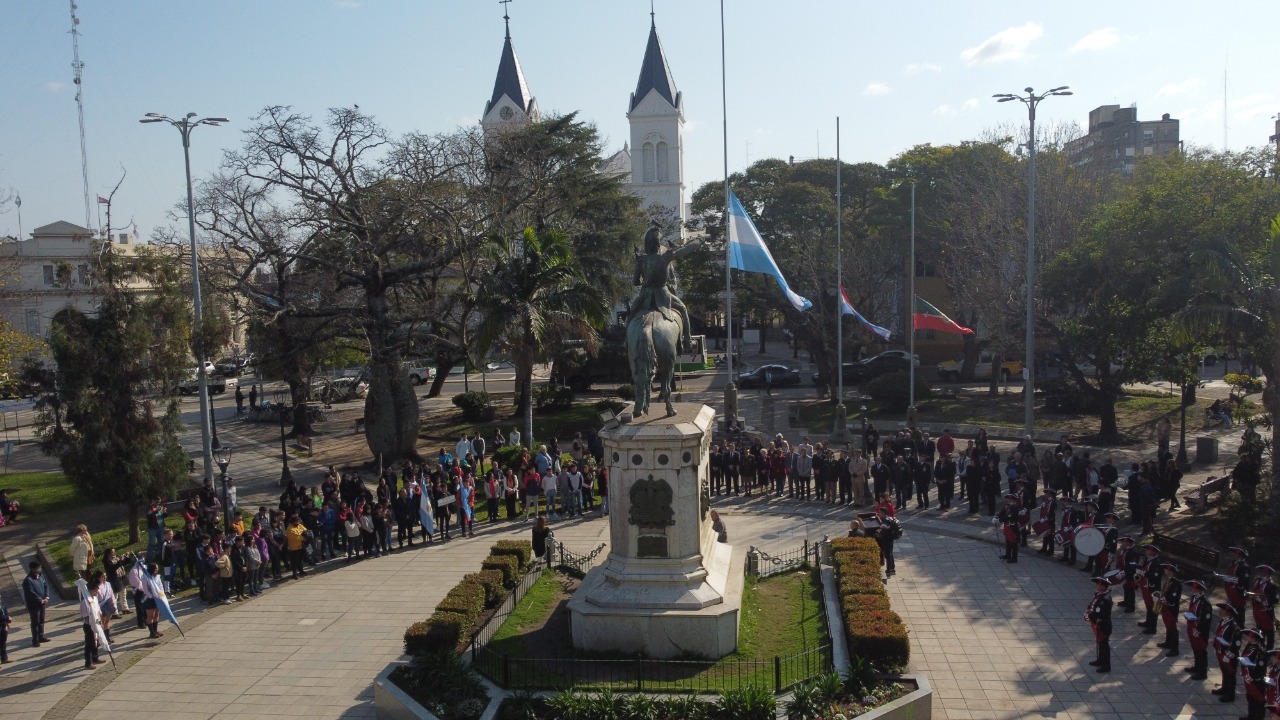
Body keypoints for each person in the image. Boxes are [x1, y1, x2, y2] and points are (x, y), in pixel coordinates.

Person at [1213, 602, 1242, 701]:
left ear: (1228, 613)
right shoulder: (1222, 622)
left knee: (1230, 675)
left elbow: (1236, 644)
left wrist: (1229, 655)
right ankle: (1224, 689)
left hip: (1229, 655)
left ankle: (1230, 695)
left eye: (1223, 610)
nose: (1221, 611)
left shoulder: (1234, 626)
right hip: (1221, 652)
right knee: (1224, 672)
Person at [1185, 579, 1212, 680]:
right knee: (1195, 648)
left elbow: (1206, 620)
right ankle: (1196, 667)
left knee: (1201, 651)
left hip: (1200, 631)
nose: (1192, 589)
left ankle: (1202, 672)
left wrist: (1199, 630)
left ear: (1200, 590)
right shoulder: (1194, 598)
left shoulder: (1205, 603)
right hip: (1192, 627)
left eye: (1195, 588)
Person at [78, 574, 106, 669]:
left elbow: (98, 611)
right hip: (89, 625)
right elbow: (85, 616)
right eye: (95, 590)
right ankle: (88, 662)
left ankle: (95, 657)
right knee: (90, 643)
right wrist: (93, 623)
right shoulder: (85, 602)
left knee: (96, 641)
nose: (97, 591)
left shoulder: (95, 599)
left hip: (97, 623)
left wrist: (100, 622)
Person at [1155, 562, 1183, 656]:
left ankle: (1175, 648)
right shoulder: (1168, 581)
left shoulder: (1176, 583)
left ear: (1171, 571)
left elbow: (1174, 596)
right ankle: (1168, 642)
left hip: (1171, 608)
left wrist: (1164, 599)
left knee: (1173, 628)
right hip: (1166, 607)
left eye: (1166, 569)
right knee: (1167, 625)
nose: (1164, 570)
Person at [1086, 575, 1113, 673]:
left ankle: (1106, 665)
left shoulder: (1105, 599)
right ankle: (1100, 660)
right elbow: (1092, 606)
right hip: (1098, 624)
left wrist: (1089, 617)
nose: (1096, 585)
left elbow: (1098, 613)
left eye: (1098, 583)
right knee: (1100, 643)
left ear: (1103, 586)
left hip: (1103, 625)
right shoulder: (1099, 595)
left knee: (1104, 645)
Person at [21, 560, 50, 647]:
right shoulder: (28, 580)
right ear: (32, 569)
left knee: (41, 620)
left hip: (42, 603)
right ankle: (35, 640)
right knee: (35, 622)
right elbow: (30, 593)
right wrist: (40, 600)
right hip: (34, 605)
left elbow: (46, 586)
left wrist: (46, 597)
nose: (40, 569)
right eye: (38, 568)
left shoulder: (41, 576)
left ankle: (41, 636)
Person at [1250, 564, 1278, 650]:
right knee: (1260, 630)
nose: (1260, 573)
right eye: (1260, 571)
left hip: (1265, 611)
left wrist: (1261, 600)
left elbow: (1275, 599)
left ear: (1267, 573)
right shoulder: (1257, 581)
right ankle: (1260, 647)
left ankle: (1269, 650)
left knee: (1269, 631)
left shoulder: (1271, 585)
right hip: (1257, 610)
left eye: (1263, 571)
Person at [873, 505, 901, 576]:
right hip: (890, 539)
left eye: (880, 513)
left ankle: (888, 571)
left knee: (887, 556)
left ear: (884, 513)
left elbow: (881, 533)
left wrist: (876, 533)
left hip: (886, 540)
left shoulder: (885, 522)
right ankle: (892, 569)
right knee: (890, 554)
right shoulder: (889, 519)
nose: (879, 514)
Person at [997, 494, 1021, 563]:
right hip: (1007, 526)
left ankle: (1014, 558)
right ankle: (1008, 554)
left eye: (1009, 499)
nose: (1007, 500)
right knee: (1008, 541)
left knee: (1013, 542)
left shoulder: (1014, 507)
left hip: (1012, 527)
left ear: (1012, 500)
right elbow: (1001, 513)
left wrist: (999, 520)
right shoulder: (1007, 506)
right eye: (1007, 499)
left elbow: (1008, 516)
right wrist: (996, 517)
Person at [0, 591, 10, 663]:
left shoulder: (1, 603)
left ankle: (4, 658)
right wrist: (7, 618)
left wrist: (7, 622)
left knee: (3, 642)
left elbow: (5, 611)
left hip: (3, 625)